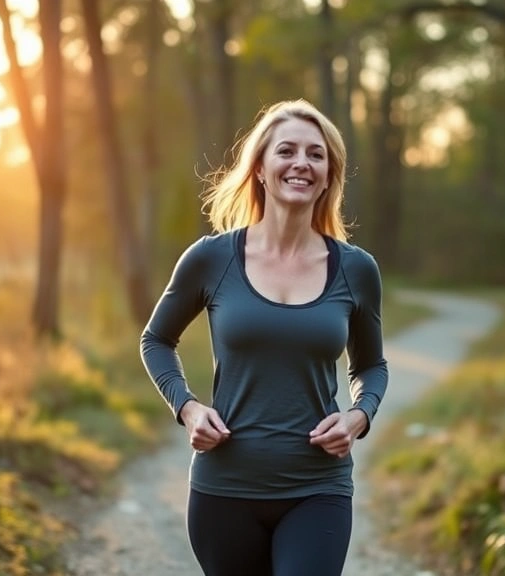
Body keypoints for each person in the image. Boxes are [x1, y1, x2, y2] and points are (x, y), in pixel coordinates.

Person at [139, 98, 388, 576]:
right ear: (259, 168)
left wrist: (359, 415)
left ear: (330, 174)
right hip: (224, 487)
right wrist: (187, 407)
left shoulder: (356, 268)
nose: (301, 164)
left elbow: (370, 365)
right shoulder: (211, 258)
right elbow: (156, 340)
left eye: (316, 155)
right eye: (287, 151)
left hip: (319, 487)